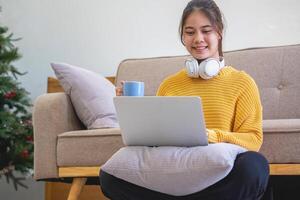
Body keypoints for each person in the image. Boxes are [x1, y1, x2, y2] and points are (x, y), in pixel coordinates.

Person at [100, 0, 270, 199]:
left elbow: (253, 139)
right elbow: (155, 138)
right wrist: (131, 110)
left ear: (219, 32)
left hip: (218, 175)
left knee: (254, 166)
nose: (198, 39)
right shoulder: (170, 84)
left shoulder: (242, 82)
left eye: (206, 30)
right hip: (175, 172)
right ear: (183, 36)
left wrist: (212, 136)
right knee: (108, 176)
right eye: (190, 32)